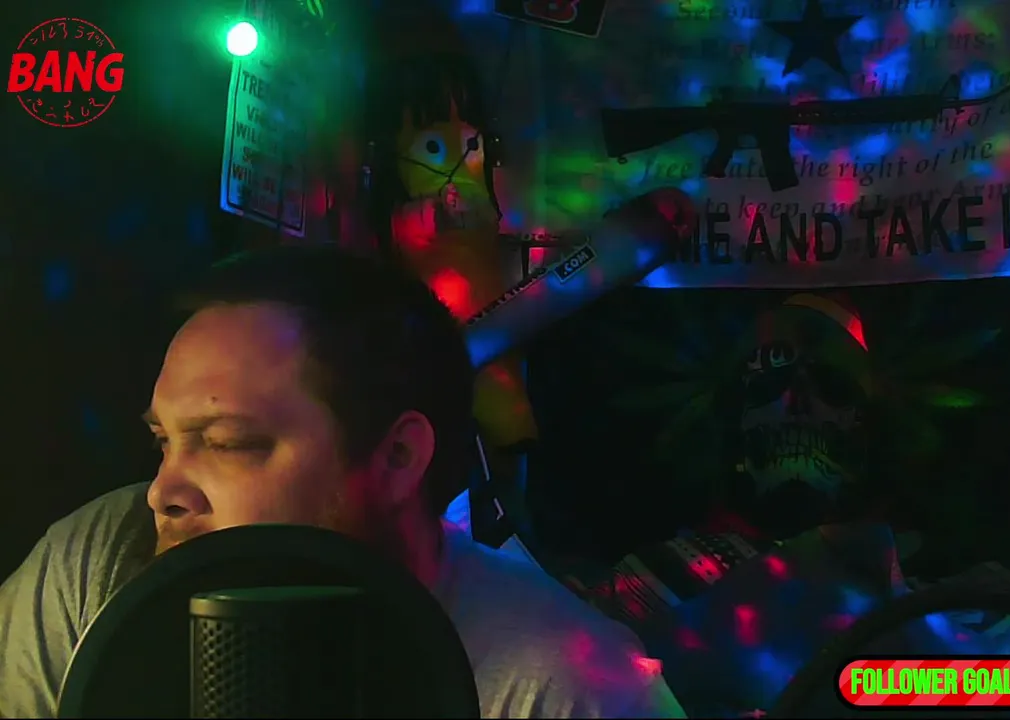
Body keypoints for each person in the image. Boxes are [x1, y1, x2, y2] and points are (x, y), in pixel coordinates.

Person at [0, 245, 687, 719]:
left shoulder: (566, 688)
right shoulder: (97, 559)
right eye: (164, 442)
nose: (162, 492)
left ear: (396, 459)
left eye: (228, 443)